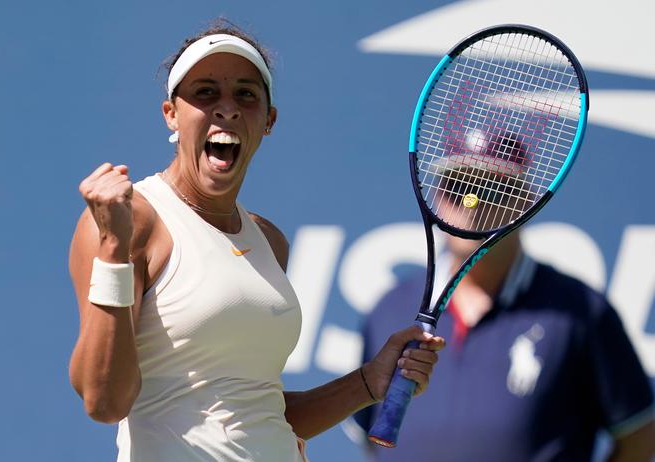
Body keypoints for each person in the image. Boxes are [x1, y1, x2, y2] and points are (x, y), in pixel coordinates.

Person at [67, 19, 445, 462]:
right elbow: (104, 402)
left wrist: (368, 382)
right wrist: (113, 248)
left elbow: (258, 416)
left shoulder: (268, 240)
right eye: (205, 92)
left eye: (245, 94)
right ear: (171, 113)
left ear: (269, 120)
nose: (226, 108)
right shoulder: (132, 222)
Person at [353, 132, 655, 460]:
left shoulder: (581, 312)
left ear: (526, 200)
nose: (471, 204)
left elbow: (638, 434)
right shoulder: (388, 310)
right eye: (456, 188)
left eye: (491, 189)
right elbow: (369, 438)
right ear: (435, 198)